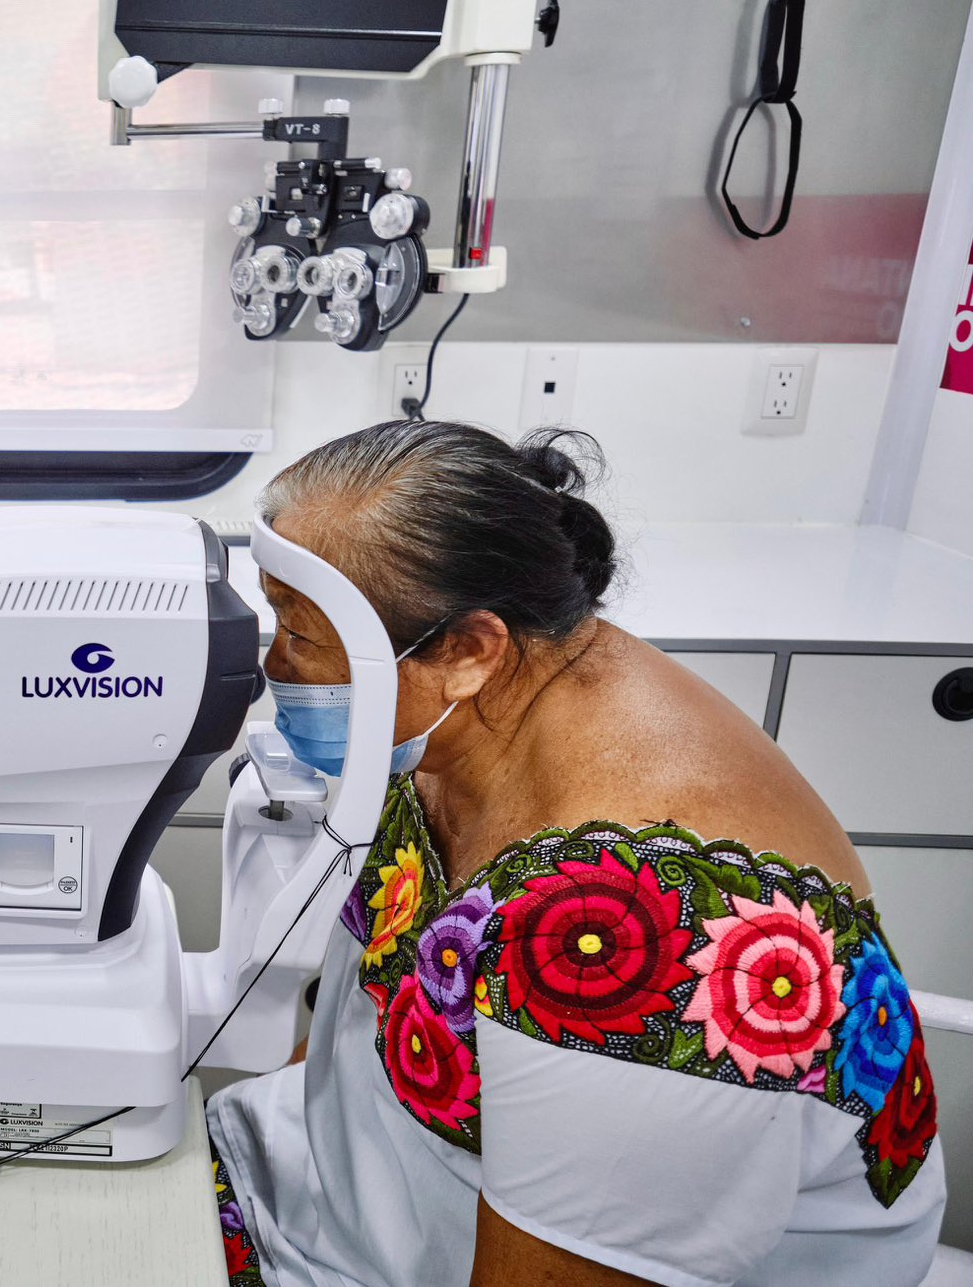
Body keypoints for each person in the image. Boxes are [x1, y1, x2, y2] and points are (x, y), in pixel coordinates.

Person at [209, 422, 942, 1287]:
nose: (272, 665)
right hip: (363, 1189)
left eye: (299, 634)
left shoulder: (627, 941)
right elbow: (367, 1000)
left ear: (467, 651)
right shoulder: (459, 718)